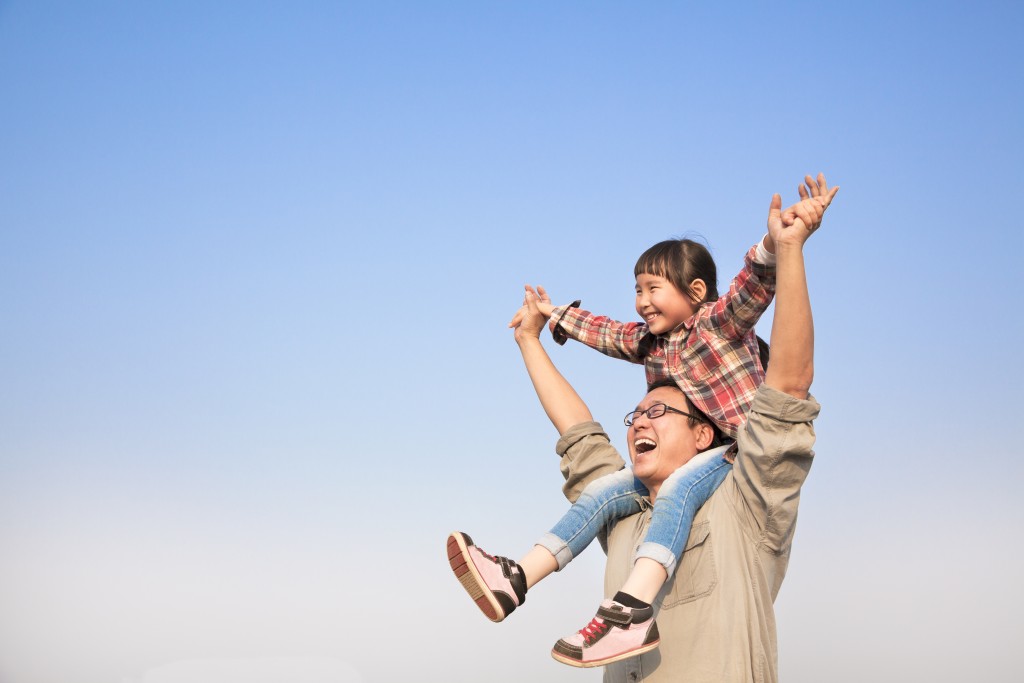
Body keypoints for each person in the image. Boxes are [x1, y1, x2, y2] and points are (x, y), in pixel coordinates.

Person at [449, 177, 834, 680]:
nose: (641, 422)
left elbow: (785, 381)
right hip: (655, 490)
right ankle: (515, 577)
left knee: (678, 490)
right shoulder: (626, 509)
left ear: (701, 432)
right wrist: (534, 335)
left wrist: (783, 248)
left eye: (661, 412)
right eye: (637, 413)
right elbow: (584, 422)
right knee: (606, 489)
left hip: (729, 464)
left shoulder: (748, 501)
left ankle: (630, 611)